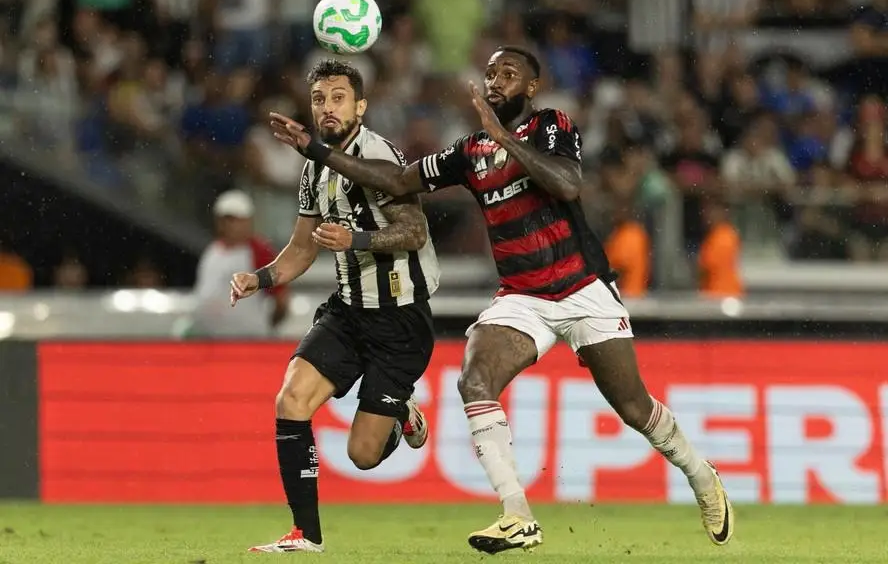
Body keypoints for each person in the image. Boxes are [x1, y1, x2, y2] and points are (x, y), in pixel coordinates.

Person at [271, 46, 734, 554]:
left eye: (509, 74)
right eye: (490, 72)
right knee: (474, 377)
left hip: (583, 288)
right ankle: (517, 514)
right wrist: (316, 150)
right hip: (523, 296)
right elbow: (397, 180)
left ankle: (699, 473)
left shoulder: (552, 126)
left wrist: (505, 139)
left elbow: (568, 184)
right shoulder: (469, 151)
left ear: (532, 88)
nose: (495, 80)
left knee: (632, 406)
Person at [231, 60, 441, 553]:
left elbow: (415, 231)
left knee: (363, 455)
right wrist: (257, 279)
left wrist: (357, 238)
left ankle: (401, 414)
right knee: (290, 400)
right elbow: (302, 248)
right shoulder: (313, 169)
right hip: (348, 311)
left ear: (360, 106)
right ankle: (306, 534)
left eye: (339, 97)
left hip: (400, 320)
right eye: (320, 99)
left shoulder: (381, 156)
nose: (328, 107)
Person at [192, 190, 289, 338]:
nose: (230, 225)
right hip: (210, 339)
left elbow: (281, 299)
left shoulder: (259, 251)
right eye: (226, 220)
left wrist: (266, 326)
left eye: (235, 220)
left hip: (248, 339)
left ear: (248, 221)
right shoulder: (212, 251)